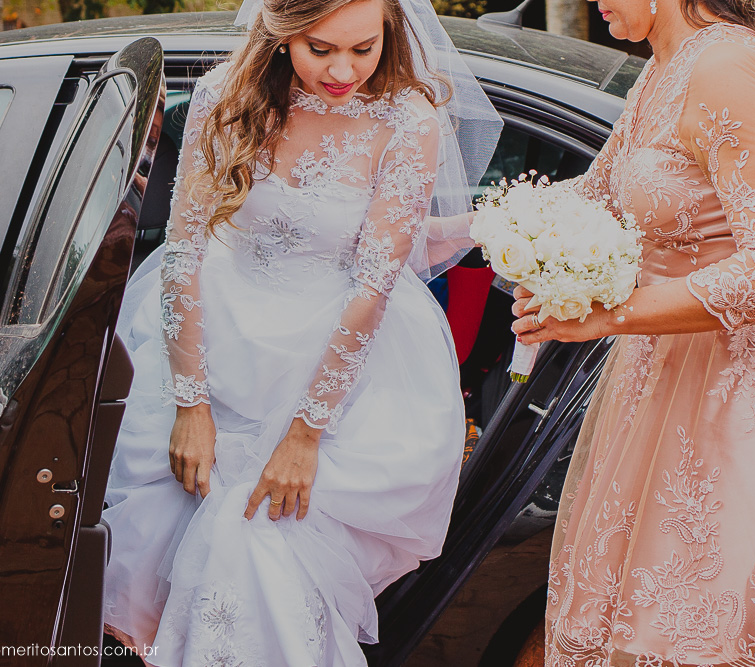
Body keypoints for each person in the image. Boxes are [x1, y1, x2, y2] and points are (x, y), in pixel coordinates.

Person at [101, 0, 501, 662]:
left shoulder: (407, 119)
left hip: (336, 369)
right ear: (280, 31)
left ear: (391, 29)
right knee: (180, 564)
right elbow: (182, 250)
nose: (343, 69)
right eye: (320, 49)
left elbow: (374, 284)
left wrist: (305, 433)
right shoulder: (221, 96)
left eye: (363, 48)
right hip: (213, 346)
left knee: (264, 551)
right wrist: (189, 401)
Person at [511, 1, 755, 665]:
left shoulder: (730, 66)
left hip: (746, 394)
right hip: (663, 377)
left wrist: (606, 315)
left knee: (713, 629)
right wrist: (483, 232)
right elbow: (592, 195)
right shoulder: (665, 67)